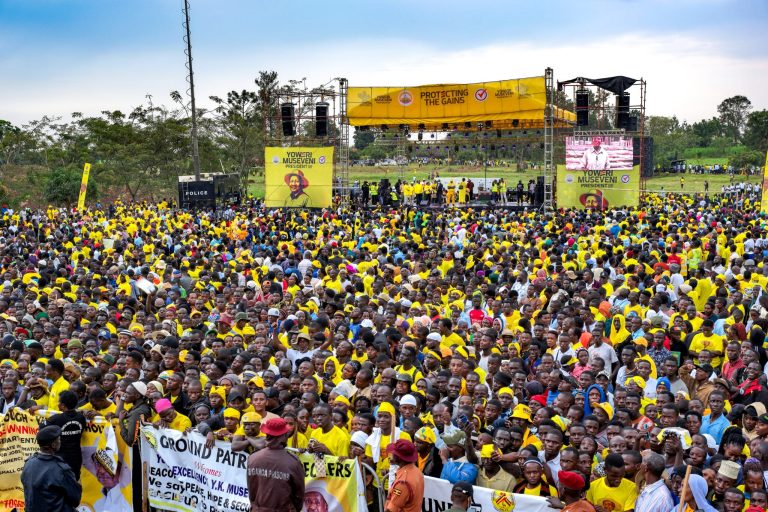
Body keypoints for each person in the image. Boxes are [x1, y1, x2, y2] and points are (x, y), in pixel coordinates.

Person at [246, 418, 305, 512]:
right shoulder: (293, 461)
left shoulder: (253, 458)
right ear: (283, 436)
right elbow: (299, 496)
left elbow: (251, 492)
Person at [21, 425, 82, 512]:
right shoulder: (61, 469)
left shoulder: (28, 463)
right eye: (59, 440)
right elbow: (76, 499)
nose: (60, 442)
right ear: (53, 445)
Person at [41, 390, 87, 479]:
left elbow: (42, 428)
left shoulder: (55, 419)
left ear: (62, 405)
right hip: (76, 458)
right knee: (73, 484)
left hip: (59, 458)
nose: (57, 403)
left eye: (58, 401)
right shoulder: (81, 418)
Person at [385, 439, 424, 512]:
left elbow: (392, 509)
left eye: (393, 453)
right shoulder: (416, 471)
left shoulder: (403, 482)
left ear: (398, 457)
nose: (390, 455)